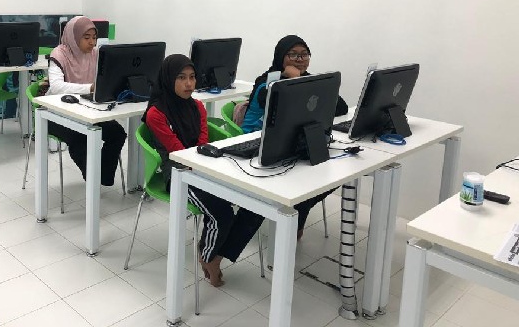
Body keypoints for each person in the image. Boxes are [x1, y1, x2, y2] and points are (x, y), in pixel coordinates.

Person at [145, 54, 264, 287]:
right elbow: (177, 151)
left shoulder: (198, 106)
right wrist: (202, 167)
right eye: (181, 78)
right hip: (178, 174)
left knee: (257, 205)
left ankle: (218, 255)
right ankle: (208, 256)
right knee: (222, 214)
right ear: (168, 79)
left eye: (192, 77)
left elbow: (202, 142)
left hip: (203, 166)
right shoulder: (155, 114)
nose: (189, 84)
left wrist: (207, 167)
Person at [242, 34, 349, 240]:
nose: (299, 59)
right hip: (257, 142)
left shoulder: (306, 79)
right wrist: (292, 79)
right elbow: (276, 107)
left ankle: (297, 218)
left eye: (304, 54)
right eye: (292, 54)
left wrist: (302, 81)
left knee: (332, 176)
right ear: (281, 57)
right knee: (304, 180)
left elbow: (341, 107)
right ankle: (293, 222)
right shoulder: (267, 82)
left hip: (291, 142)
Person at [46, 16, 126, 185]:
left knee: (117, 133)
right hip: (56, 114)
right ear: (73, 37)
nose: (92, 42)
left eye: (94, 38)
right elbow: (56, 87)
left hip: (86, 110)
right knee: (81, 138)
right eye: (86, 37)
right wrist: (89, 88)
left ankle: (102, 177)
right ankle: (93, 179)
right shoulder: (59, 53)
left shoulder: (95, 54)